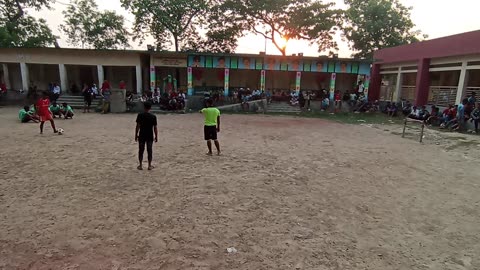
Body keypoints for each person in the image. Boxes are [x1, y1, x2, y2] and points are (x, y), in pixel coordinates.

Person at [135, 102, 158, 170]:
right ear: (150, 108)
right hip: (149, 135)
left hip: (142, 134)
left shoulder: (140, 115)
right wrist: (156, 136)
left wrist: (136, 135)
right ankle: (149, 165)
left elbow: (137, 126)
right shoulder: (153, 116)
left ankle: (140, 165)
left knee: (141, 150)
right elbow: (155, 128)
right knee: (149, 150)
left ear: (144, 107)